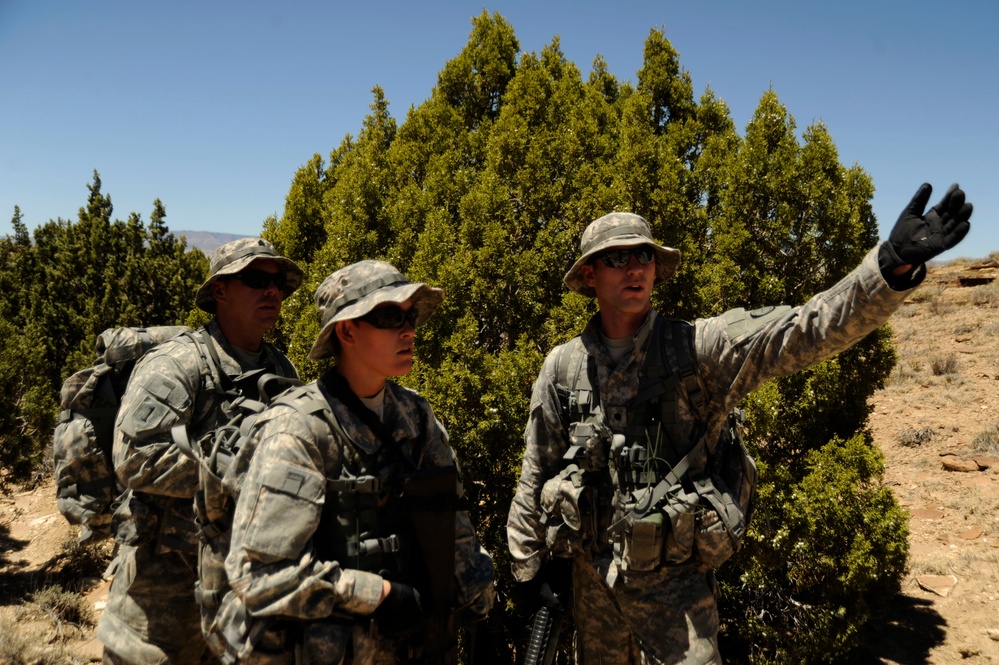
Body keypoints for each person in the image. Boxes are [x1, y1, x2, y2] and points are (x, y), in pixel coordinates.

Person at [507, 183, 973, 664]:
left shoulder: (697, 348)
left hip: (677, 597)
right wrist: (529, 570)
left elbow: (802, 330)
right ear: (589, 274)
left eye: (642, 256)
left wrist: (888, 268)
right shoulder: (562, 367)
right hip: (593, 591)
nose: (634, 268)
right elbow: (534, 473)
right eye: (616, 258)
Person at [219, 259, 495, 663]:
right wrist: (379, 595)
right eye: (388, 316)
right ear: (347, 330)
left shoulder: (416, 416)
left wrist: (481, 605)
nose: (408, 330)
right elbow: (259, 575)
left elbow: (453, 527)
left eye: (411, 315)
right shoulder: (298, 429)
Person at [97, 237, 304, 665]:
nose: (272, 291)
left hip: (241, 599)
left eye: (278, 282)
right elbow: (134, 458)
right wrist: (239, 468)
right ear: (220, 291)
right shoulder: (178, 363)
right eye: (256, 279)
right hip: (160, 609)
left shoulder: (282, 371)